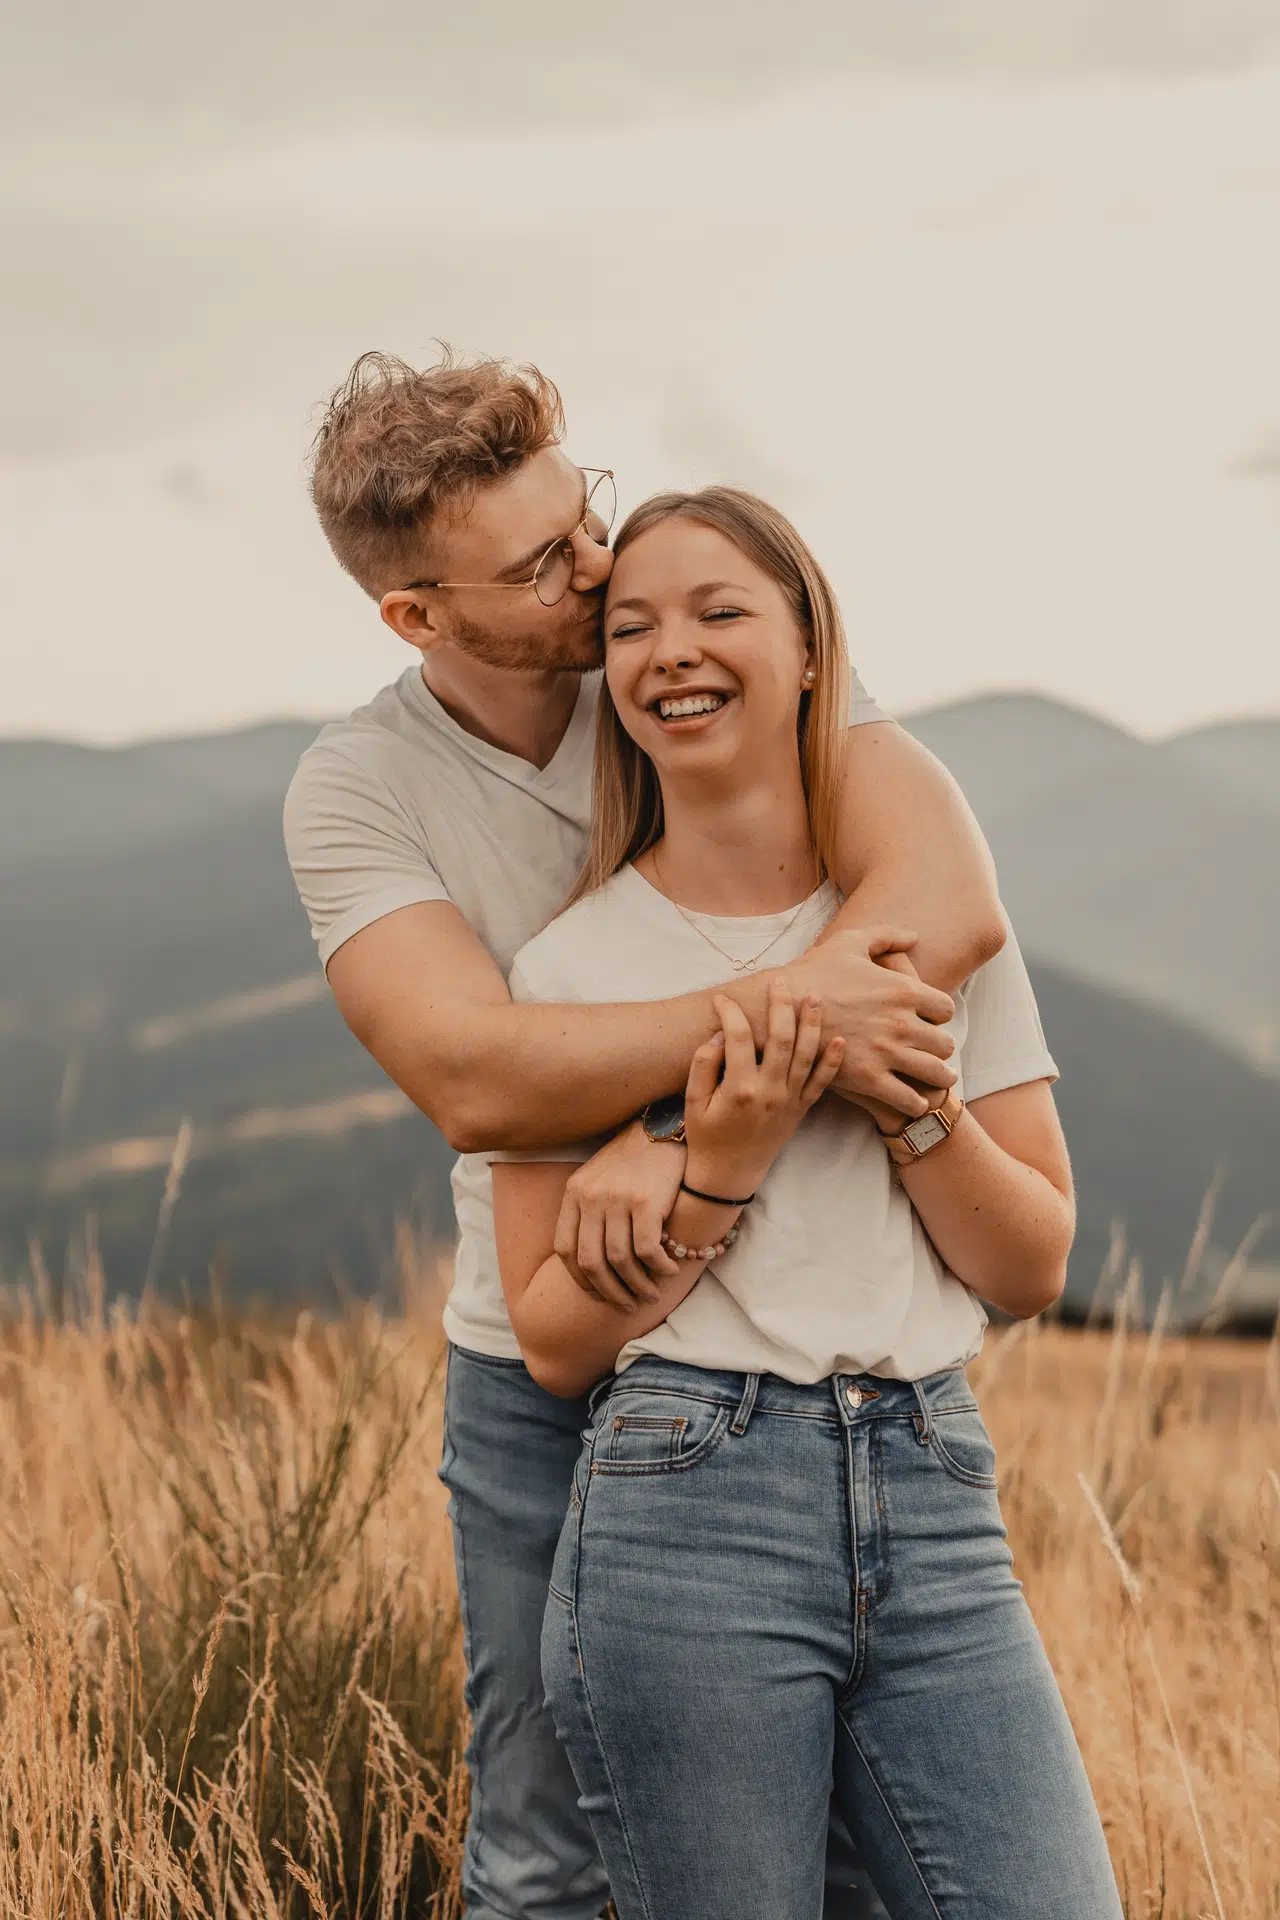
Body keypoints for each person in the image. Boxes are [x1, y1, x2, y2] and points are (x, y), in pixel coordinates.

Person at [284, 349, 1005, 1920]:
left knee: (844, 1856)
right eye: (542, 565)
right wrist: (690, 1110)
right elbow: (476, 1079)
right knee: (543, 1855)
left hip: (797, 1361)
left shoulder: (674, 660)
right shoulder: (357, 790)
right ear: (417, 617)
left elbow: (943, 909)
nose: (602, 570)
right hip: (552, 1356)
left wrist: (665, 1120)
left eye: (584, 511)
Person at [491, 487, 1124, 1919]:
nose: (673, 652)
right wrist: (716, 1158)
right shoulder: (572, 974)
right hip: (685, 1508)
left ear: (809, 650)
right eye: (633, 626)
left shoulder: (930, 930)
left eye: (721, 612)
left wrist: (910, 1103)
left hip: (935, 1489)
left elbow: (1030, 1265)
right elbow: (552, 1339)